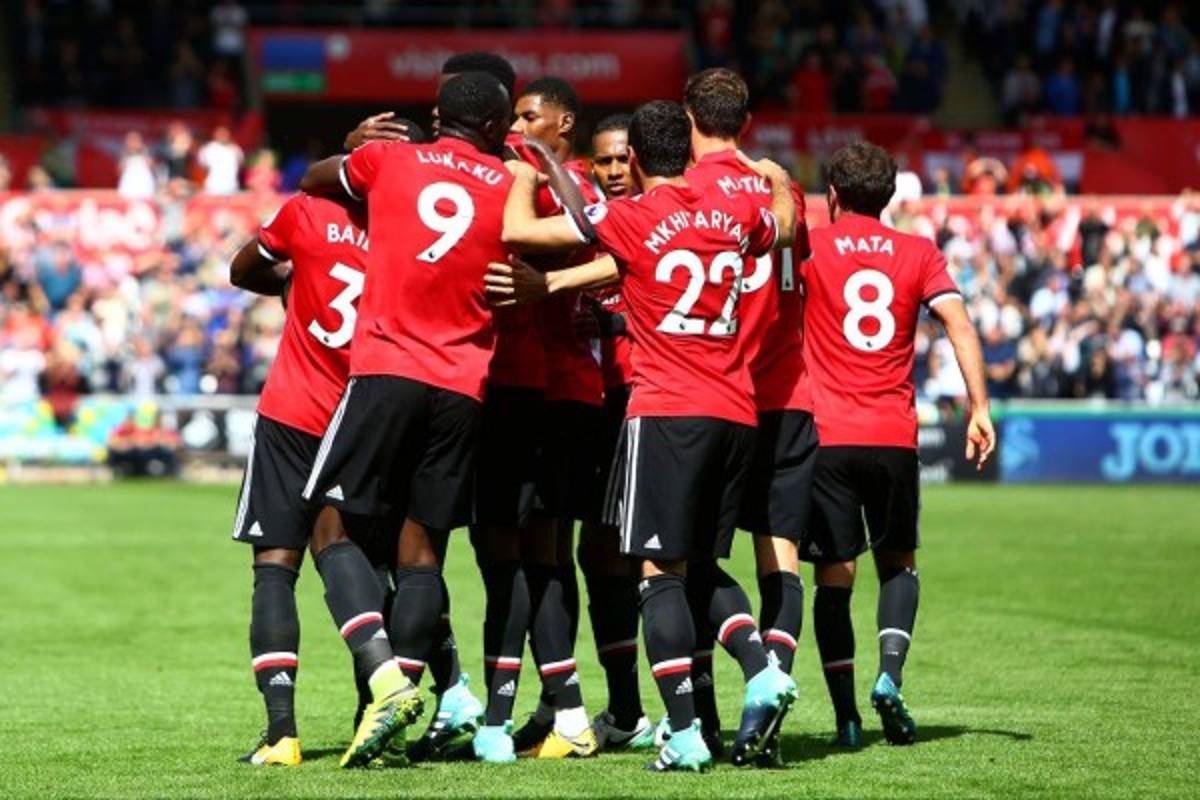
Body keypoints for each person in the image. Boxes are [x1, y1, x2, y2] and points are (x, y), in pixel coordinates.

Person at [488, 99, 798, 773]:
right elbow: (784, 227)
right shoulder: (731, 213)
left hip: (665, 413)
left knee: (658, 576)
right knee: (702, 567)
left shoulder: (628, 217)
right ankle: (763, 669)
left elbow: (519, 230)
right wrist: (776, 179)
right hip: (736, 413)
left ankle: (683, 733)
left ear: (632, 158)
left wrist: (526, 171)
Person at [298, 71, 514, 768]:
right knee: (422, 552)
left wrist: (351, 143)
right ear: (496, 128)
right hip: (464, 386)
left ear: (435, 116)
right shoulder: (510, 182)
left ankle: (385, 678)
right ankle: (395, 716)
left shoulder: (389, 159)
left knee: (328, 524)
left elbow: (312, 178)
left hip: (388, 369)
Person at [801, 141, 994, 748]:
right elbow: (959, 325)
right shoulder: (919, 252)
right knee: (899, 564)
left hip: (826, 435)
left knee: (834, 578)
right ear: (888, 197)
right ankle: (889, 675)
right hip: (893, 434)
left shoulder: (809, 247)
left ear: (833, 195)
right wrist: (979, 408)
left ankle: (846, 719)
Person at [681, 67, 814, 767]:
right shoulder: (784, 192)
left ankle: (705, 715)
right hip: (790, 398)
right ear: (748, 122)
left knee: (689, 558)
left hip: (720, 394)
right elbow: (792, 257)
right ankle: (765, 708)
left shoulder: (689, 193)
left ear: (688, 118)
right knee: (780, 561)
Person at [225, 179, 374, 766]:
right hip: (361, 417)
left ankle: (281, 733)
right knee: (359, 558)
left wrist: (295, 280)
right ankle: (375, 712)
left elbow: (242, 269)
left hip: (291, 412)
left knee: (274, 567)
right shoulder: (404, 229)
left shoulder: (310, 213)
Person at [501, 76, 604, 762]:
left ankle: (569, 713)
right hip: (536, 387)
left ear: (563, 122)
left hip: (560, 390)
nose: (519, 127)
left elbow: (584, 232)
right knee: (545, 553)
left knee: (538, 553)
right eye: (513, 117)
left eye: (530, 116)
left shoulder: (577, 185)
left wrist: (530, 166)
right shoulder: (541, 179)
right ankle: (553, 703)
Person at [575, 112, 654, 754]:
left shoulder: (658, 223)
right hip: (592, 406)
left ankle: (641, 710)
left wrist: (612, 322)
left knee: (633, 555)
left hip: (641, 403)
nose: (613, 171)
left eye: (623, 158)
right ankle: (627, 707)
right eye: (602, 161)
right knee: (601, 554)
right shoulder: (588, 226)